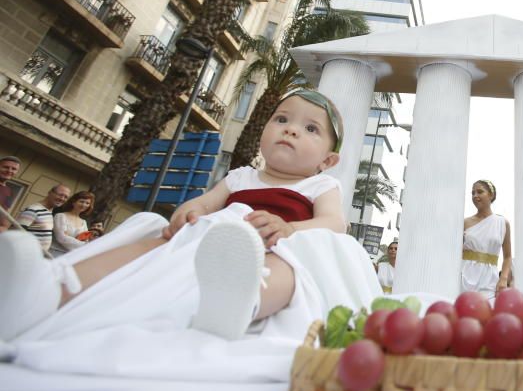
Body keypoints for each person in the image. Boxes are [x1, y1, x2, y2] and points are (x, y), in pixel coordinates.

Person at [0, 89, 381, 344]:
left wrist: (290, 228)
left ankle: (240, 302)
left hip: (273, 248)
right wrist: (191, 210)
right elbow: (207, 201)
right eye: (282, 119)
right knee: (147, 243)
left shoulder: (319, 187)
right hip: (212, 237)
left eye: (310, 128)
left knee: (288, 271)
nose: (292, 129)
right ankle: (54, 288)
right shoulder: (240, 176)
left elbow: (334, 224)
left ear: (327, 161)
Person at [461, 179, 511, 299]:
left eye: (480, 192)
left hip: (490, 280)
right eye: (472, 193)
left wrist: (503, 279)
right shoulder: (464, 223)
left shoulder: (502, 223)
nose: (475, 196)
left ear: (491, 195)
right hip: (464, 278)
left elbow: (508, 256)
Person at [13, 184, 71, 252]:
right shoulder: (34, 210)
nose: (62, 199)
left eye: (66, 197)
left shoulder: (48, 212)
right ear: (50, 193)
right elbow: (14, 234)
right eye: (60, 195)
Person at [50, 191, 100, 256]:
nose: (84, 205)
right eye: (81, 201)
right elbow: (61, 238)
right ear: (73, 202)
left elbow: (86, 240)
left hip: (72, 256)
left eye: (87, 203)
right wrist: (84, 244)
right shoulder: (61, 216)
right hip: (54, 253)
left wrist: (68, 236)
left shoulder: (84, 222)